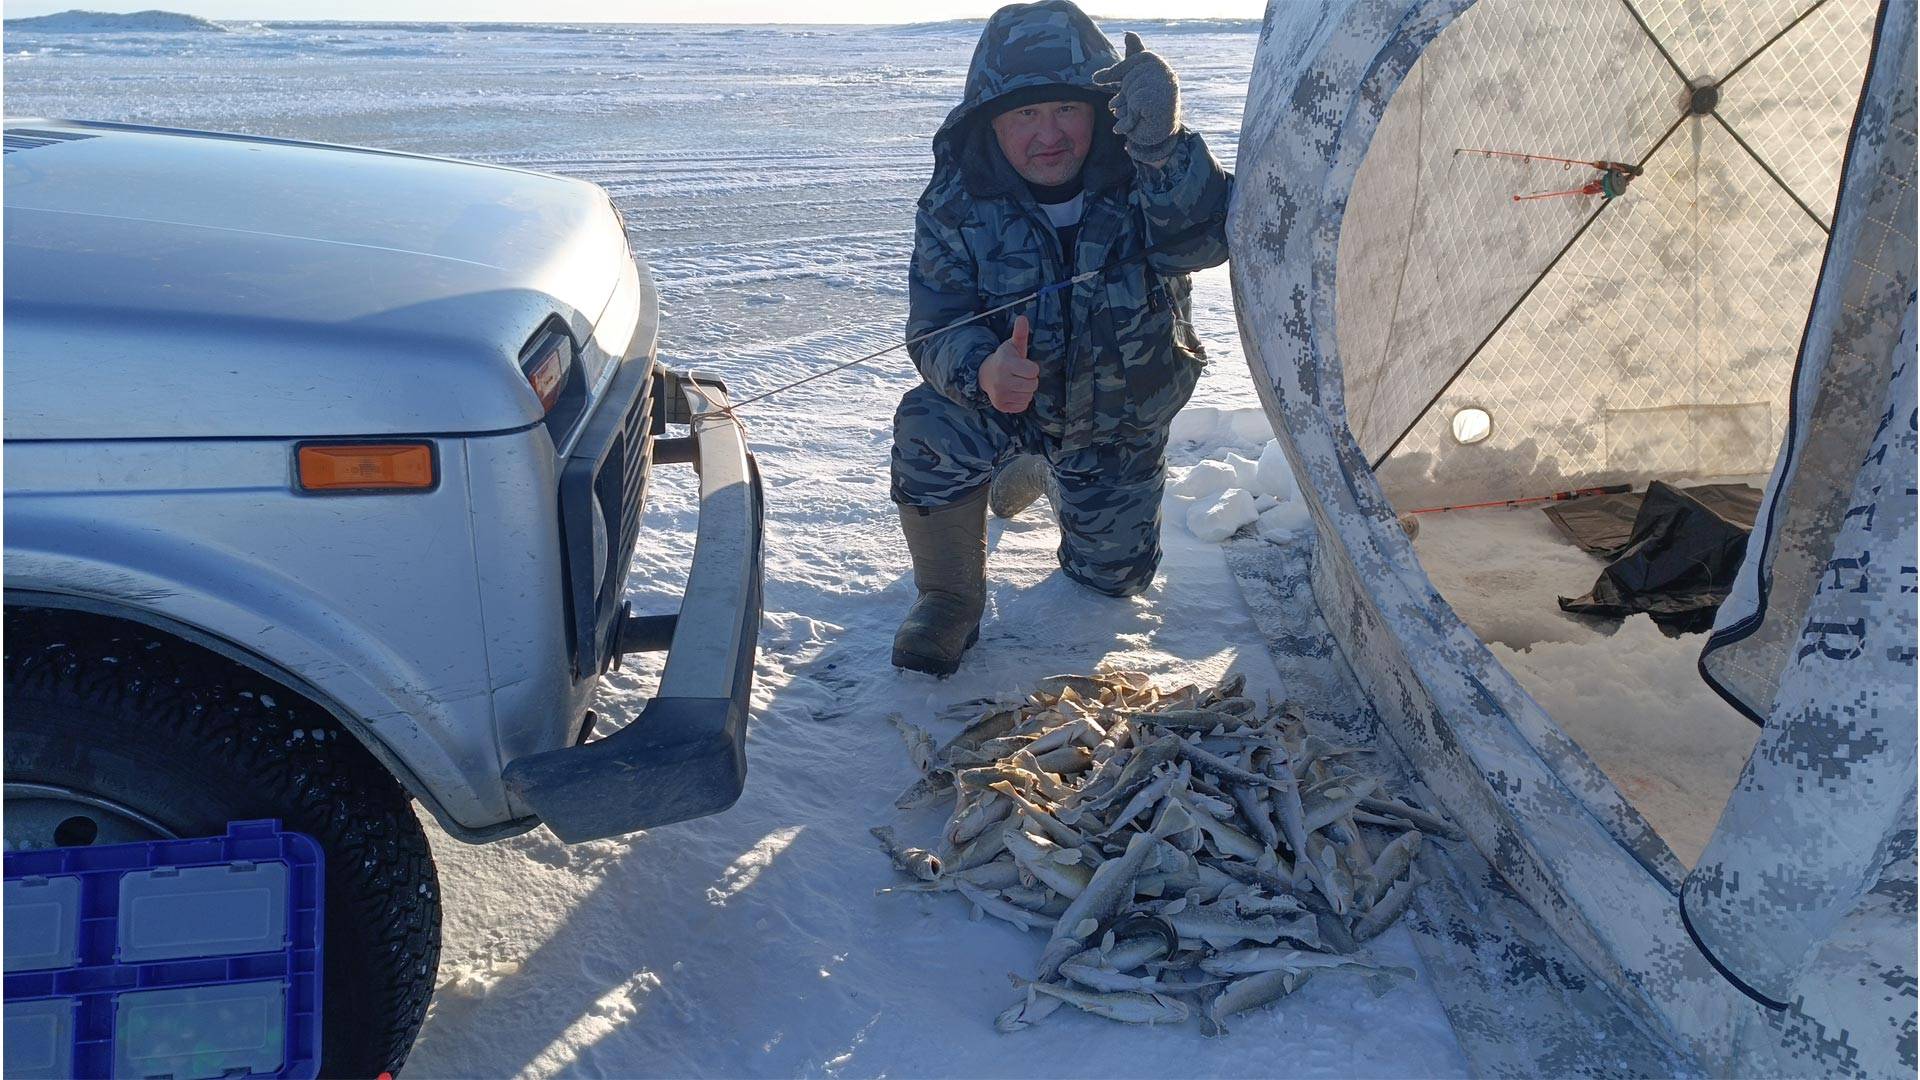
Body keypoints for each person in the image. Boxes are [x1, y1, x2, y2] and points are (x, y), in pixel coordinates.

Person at [889, 0, 1232, 675]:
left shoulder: (1145, 171)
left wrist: (1167, 146)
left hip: (1119, 421)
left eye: (1066, 110)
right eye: (1024, 113)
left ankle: (1049, 477)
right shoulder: (956, 204)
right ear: (990, 120)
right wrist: (982, 370)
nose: (1048, 135)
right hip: (1009, 407)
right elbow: (933, 326)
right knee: (928, 423)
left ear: (1098, 110)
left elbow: (1206, 238)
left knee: (1114, 582)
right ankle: (949, 599)